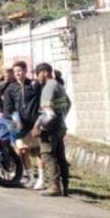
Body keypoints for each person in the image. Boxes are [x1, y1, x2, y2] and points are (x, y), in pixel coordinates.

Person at [31, 63, 72, 197]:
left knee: (47, 155)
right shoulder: (58, 85)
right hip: (60, 126)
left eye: (37, 75)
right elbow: (68, 103)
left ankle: (54, 186)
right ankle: (65, 186)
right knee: (60, 156)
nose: (37, 79)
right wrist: (62, 117)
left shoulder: (48, 87)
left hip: (50, 128)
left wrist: (38, 126)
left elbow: (48, 112)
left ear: (44, 72)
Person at [2, 61, 42, 189]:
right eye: (15, 71)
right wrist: (14, 118)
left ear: (26, 71)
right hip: (18, 124)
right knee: (22, 151)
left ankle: (41, 179)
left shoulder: (34, 86)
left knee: (38, 151)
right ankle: (30, 176)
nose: (18, 73)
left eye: (20, 70)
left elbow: (41, 102)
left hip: (34, 124)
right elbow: (8, 107)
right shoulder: (10, 88)